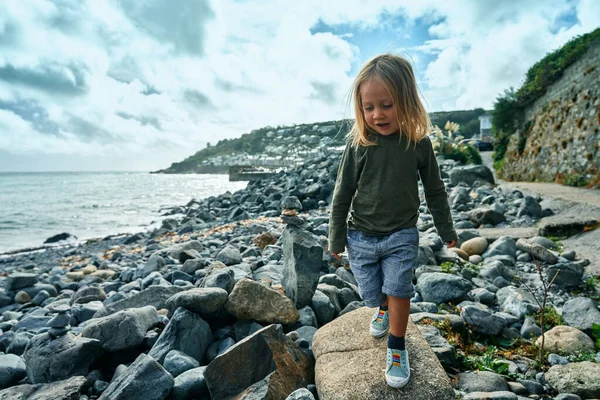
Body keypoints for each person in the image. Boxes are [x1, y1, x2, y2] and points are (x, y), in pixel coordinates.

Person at [328, 54, 457, 389]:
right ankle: (382, 307)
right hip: (361, 236)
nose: (377, 115)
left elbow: (435, 191)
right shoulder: (359, 144)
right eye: (369, 107)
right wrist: (336, 237)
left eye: (386, 104)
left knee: (399, 289)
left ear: (406, 101)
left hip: (401, 233)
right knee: (374, 294)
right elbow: (342, 193)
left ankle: (397, 347)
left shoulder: (418, 144)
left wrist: (447, 231)